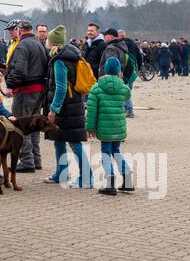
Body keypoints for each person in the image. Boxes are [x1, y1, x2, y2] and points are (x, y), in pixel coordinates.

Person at [43, 26, 92, 188]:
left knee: (74, 142)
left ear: (53, 42)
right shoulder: (70, 56)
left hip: (66, 108)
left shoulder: (59, 62)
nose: (46, 42)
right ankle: (61, 174)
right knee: (59, 140)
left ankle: (87, 177)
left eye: (48, 39)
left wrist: (53, 109)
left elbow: (61, 87)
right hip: (73, 104)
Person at [4, 20, 48, 173]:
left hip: (26, 90)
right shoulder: (39, 44)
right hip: (39, 89)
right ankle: (36, 160)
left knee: (21, 124)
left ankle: (27, 161)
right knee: (34, 124)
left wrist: (9, 84)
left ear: (20, 30)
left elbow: (19, 70)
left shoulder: (23, 46)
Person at [85, 56, 133, 196]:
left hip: (104, 127)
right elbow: (126, 95)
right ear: (119, 71)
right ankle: (127, 177)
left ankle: (110, 182)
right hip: (118, 126)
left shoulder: (96, 88)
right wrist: (120, 79)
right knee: (116, 151)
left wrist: (90, 128)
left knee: (106, 153)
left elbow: (92, 111)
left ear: (104, 70)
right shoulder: (123, 88)